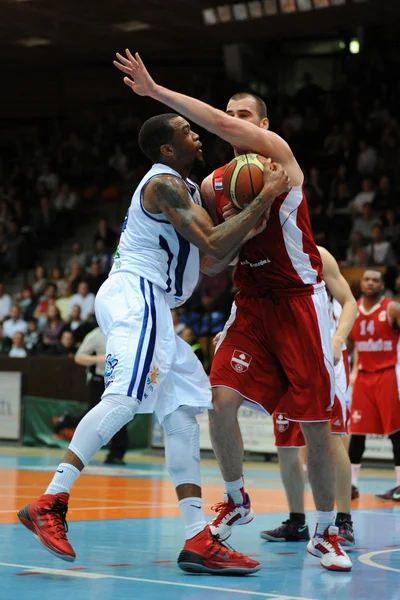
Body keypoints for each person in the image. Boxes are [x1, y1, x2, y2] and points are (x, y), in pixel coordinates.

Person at [18, 112, 289, 575]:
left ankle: (197, 539)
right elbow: (211, 239)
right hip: (136, 294)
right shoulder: (162, 184)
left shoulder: (183, 189)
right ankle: (50, 501)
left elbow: (211, 259)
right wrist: (262, 195)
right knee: (123, 398)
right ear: (166, 149)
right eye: (187, 131)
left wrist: (252, 220)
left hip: (157, 305)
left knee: (183, 410)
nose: (196, 135)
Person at [113, 49, 352, 571]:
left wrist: (155, 92)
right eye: (229, 115)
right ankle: (238, 498)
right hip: (250, 302)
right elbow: (216, 258)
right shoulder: (210, 184)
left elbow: (217, 122)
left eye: (244, 117)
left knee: (315, 423)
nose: (230, 123)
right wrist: (252, 208)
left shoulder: (280, 158)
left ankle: (326, 531)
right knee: (218, 401)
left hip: (298, 302)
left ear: (262, 125)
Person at [261, 247, 357, 547]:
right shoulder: (263, 254)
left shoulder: (317, 254)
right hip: (283, 360)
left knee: (332, 439)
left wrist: (338, 340)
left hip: (322, 358)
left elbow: (349, 301)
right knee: (285, 445)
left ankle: (343, 521)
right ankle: (297, 521)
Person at [347, 270, 400, 501]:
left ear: (381, 285)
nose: (370, 283)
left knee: (396, 431)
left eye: (375, 280)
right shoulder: (353, 309)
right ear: (361, 283)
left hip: (388, 374)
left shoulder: (392, 308)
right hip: (363, 377)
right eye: (367, 279)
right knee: (357, 432)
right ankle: (350, 484)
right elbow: (348, 343)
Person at [54, 327, 128, 465]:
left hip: (119, 379)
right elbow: (79, 357)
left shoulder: (123, 330)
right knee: (93, 414)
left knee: (121, 413)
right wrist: (102, 358)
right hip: (99, 380)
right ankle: (68, 420)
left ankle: (117, 454)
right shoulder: (95, 335)